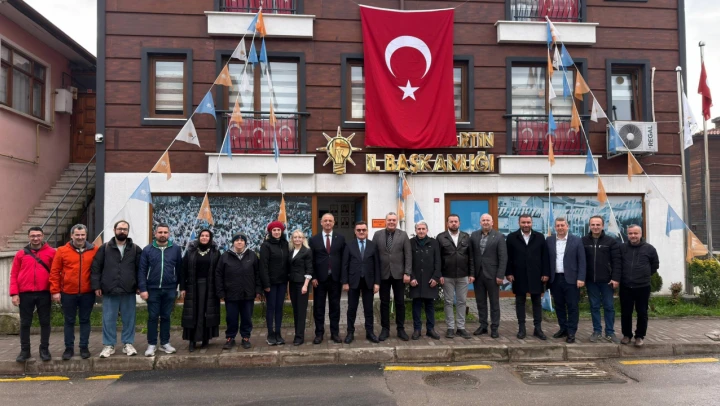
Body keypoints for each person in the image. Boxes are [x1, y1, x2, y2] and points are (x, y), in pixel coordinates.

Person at [91, 220, 142, 358]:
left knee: (129, 319)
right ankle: (109, 345)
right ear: (114, 230)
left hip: (128, 289)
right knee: (108, 319)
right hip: (110, 289)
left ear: (128, 231)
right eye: (120, 229)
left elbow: (140, 269)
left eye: (125, 229)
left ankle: (128, 344)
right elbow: (96, 268)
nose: (122, 231)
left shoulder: (135, 249)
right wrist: (96, 286)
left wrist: (139, 286)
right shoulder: (105, 248)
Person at [50, 224, 98, 360]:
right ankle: (69, 348)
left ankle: (84, 347)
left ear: (86, 236)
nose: (80, 237)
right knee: (69, 321)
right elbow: (55, 271)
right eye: (77, 235)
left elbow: (98, 270)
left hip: (87, 292)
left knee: (85, 320)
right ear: (72, 235)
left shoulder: (94, 250)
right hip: (68, 292)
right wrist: (55, 291)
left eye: (82, 235)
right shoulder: (62, 251)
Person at [10, 226, 56, 362]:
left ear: (42, 236)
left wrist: (55, 291)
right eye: (33, 236)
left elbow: (55, 273)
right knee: (25, 323)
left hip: (44, 292)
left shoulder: (51, 253)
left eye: (38, 235)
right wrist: (14, 293)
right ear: (28, 237)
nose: (36, 238)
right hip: (25, 293)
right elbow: (14, 274)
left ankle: (44, 349)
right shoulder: (20, 254)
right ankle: (25, 351)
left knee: (45, 322)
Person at [138, 223, 183, 357]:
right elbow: (142, 270)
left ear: (169, 234)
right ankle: (151, 344)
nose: (163, 235)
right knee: (153, 317)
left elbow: (179, 269)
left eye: (165, 232)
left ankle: (165, 343)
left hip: (170, 289)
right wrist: (143, 289)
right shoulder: (147, 250)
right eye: (160, 232)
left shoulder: (175, 249)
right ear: (155, 233)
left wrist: (180, 287)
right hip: (152, 289)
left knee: (166, 316)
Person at [505, 214, 550, 340]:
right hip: (518, 275)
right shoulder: (512, 237)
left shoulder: (539, 237)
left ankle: (538, 328)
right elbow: (508, 257)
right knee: (520, 302)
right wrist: (508, 273)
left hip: (536, 274)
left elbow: (545, 257)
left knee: (537, 302)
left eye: (528, 222)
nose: (526, 225)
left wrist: (546, 273)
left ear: (532, 223)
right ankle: (522, 328)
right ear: (519, 223)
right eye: (523, 222)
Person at [216, 233, 262, 350]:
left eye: (242, 240)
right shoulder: (225, 256)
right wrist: (220, 292)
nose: (239, 242)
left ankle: (245, 337)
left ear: (245, 242)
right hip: (231, 293)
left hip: (248, 293)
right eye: (237, 240)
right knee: (231, 318)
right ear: (233, 242)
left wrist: (258, 289)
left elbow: (258, 273)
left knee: (247, 317)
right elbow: (218, 274)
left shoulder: (252, 255)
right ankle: (230, 338)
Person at [582, 215, 622, 344]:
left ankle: (610, 332)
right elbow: (580, 261)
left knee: (609, 306)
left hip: (607, 281)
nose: (595, 227)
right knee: (594, 306)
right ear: (590, 226)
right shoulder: (583, 241)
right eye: (593, 224)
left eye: (598, 224)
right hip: (591, 281)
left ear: (602, 226)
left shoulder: (611, 241)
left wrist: (615, 278)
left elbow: (617, 261)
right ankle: (597, 331)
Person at [180, 229, 221, 352]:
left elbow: (219, 272)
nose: (204, 237)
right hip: (193, 287)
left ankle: (205, 338)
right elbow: (183, 270)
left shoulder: (215, 252)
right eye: (202, 235)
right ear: (199, 237)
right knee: (194, 313)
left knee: (206, 312)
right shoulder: (191, 251)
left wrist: (219, 288)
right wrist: (182, 287)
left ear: (210, 238)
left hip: (210, 287)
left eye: (207, 236)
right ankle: (192, 340)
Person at [546, 217, 586, 344]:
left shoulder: (577, 240)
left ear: (567, 226)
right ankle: (563, 328)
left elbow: (582, 261)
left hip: (572, 279)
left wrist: (581, 277)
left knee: (572, 306)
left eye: (562, 225)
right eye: (558, 225)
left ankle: (571, 332)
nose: (560, 228)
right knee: (559, 305)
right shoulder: (549, 240)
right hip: (555, 278)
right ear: (555, 227)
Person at [618, 225, 659, 347]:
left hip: (643, 286)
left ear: (641, 234)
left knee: (642, 312)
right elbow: (617, 264)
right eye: (630, 233)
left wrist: (644, 275)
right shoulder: (622, 248)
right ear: (627, 234)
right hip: (626, 286)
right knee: (626, 312)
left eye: (635, 233)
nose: (633, 236)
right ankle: (627, 335)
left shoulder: (649, 249)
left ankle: (640, 336)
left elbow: (655, 265)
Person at [308, 213, 346, 344]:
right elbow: (311, 260)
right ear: (321, 223)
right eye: (325, 221)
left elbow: (344, 260)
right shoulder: (314, 240)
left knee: (335, 307)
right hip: (319, 280)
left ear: (334, 223)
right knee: (319, 308)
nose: (328, 223)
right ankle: (319, 334)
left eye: (330, 221)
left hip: (335, 279)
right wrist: (313, 277)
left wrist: (343, 278)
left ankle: (335, 333)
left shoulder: (340, 238)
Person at [436, 214, 474, 339]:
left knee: (462, 301)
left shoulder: (466, 237)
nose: (453, 223)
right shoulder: (441, 237)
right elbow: (437, 258)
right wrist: (439, 274)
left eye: (455, 221)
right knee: (448, 302)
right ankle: (450, 328)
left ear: (459, 223)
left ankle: (461, 328)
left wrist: (471, 273)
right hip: (447, 275)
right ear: (447, 223)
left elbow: (471, 257)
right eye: (451, 221)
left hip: (463, 275)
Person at [342, 221, 381, 344]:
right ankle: (350, 333)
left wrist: (377, 283)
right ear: (355, 231)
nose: (361, 232)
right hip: (353, 281)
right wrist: (345, 282)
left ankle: (370, 332)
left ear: (367, 231)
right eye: (359, 230)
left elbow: (377, 265)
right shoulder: (349, 245)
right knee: (351, 309)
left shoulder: (373, 245)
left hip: (369, 282)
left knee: (368, 309)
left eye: (363, 230)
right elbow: (345, 265)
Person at [469, 214, 507, 339]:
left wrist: (500, 275)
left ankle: (494, 327)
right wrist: (472, 273)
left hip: (493, 275)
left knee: (494, 303)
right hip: (478, 275)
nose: (485, 222)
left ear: (492, 222)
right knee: (480, 302)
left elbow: (503, 257)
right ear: (480, 222)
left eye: (488, 220)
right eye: (483, 220)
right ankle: (483, 326)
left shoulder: (499, 236)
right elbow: (471, 256)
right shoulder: (474, 235)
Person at [408, 221, 441, 340]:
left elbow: (438, 261)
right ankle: (417, 329)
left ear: (427, 230)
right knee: (416, 305)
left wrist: (436, 277)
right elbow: (408, 261)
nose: (421, 231)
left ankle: (430, 329)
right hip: (415, 280)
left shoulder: (434, 242)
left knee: (429, 305)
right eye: (419, 229)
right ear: (415, 230)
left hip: (430, 280)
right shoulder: (410, 243)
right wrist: (411, 277)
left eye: (423, 229)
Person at [260, 221, 290, 346]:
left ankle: (278, 332)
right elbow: (263, 266)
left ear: (282, 231)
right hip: (271, 283)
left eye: (279, 230)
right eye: (274, 230)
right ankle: (270, 333)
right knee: (271, 308)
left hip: (282, 282)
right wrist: (266, 284)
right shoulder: (266, 246)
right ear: (270, 232)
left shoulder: (285, 244)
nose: (277, 232)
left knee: (279, 308)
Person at [288, 229, 314, 345]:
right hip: (293, 283)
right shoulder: (291, 251)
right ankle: (297, 333)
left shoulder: (307, 251)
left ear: (303, 239)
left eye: (299, 237)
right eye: (295, 237)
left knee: (301, 311)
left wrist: (305, 285)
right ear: (292, 239)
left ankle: (299, 337)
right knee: (296, 310)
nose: (297, 239)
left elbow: (309, 269)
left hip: (302, 284)